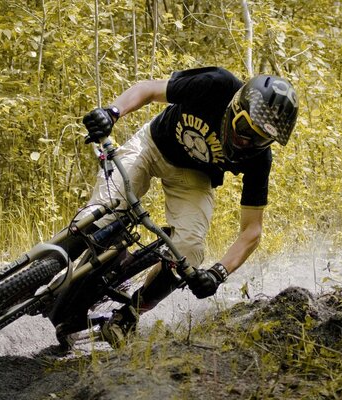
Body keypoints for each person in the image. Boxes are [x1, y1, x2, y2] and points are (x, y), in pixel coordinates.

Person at [58, 66, 298, 348]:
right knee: (104, 212)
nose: (247, 141)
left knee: (190, 250)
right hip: (153, 145)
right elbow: (149, 90)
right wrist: (112, 112)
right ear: (236, 106)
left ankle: (128, 316)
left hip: (194, 177)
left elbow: (252, 231)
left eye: (261, 139)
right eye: (245, 129)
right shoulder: (216, 85)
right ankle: (49, 265)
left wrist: (218, 273)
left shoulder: (259, 160)